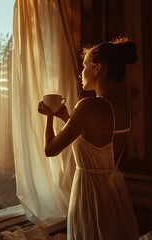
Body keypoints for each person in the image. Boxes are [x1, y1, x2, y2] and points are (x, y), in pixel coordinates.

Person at [38, 36, 139, 240]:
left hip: (90, 193)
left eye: (84, 66)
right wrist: (66, 117)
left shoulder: (89, 106)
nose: (80, 73)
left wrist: (49, 115)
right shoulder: (126, 109)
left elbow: (50, 150)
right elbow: (92, 140)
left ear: (97, 68)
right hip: (115, 196)